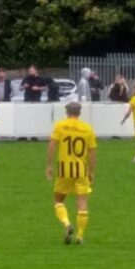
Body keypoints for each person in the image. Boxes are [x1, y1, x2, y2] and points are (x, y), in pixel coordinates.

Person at [46, 101, 97, 245]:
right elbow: (92, 153)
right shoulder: (87, 128)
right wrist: (91, 172)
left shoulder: (60, 125)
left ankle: (67, 224)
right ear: (79, 113)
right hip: (81, 170)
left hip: (64, 169)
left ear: (66, 112)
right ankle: (80, 236)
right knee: (82, 202)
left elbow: (52, 146)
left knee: (58, 200)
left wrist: (49, 165)